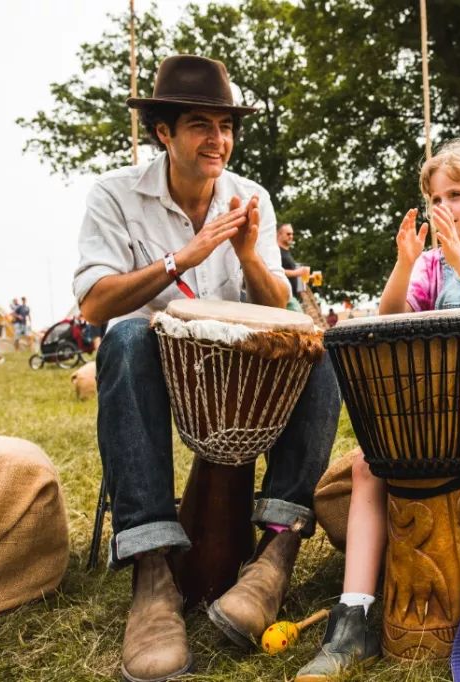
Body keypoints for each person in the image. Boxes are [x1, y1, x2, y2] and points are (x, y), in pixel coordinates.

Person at [73, 55, 340, 682]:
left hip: (234, 376)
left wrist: (248, 255)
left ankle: (276, 554)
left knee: (315, 348)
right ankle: (152, 576)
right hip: (154, 371)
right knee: (131, 335)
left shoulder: (253, 198)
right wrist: (179, 259)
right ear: (163, 133)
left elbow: (274, 305)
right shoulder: (114, 194)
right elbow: (92, 304)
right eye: (199, 124)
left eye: (225, 125)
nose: (217, 139)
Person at [297, 138, 460, 682]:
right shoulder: (432, 266)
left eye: (457, 194)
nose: (443, 205)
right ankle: (354, 618)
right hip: (444, 398)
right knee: (371, 463)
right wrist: (404, 265)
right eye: (435, 196)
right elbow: (392, 317)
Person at [277, 223, 310, 313]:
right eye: (288, 234)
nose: (291, 236)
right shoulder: (276, 251)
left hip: (293, 297)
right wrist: (297, 272)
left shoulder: (287, 252)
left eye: (292, 234)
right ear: (279, 234)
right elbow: (273, 271)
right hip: (284, 298)